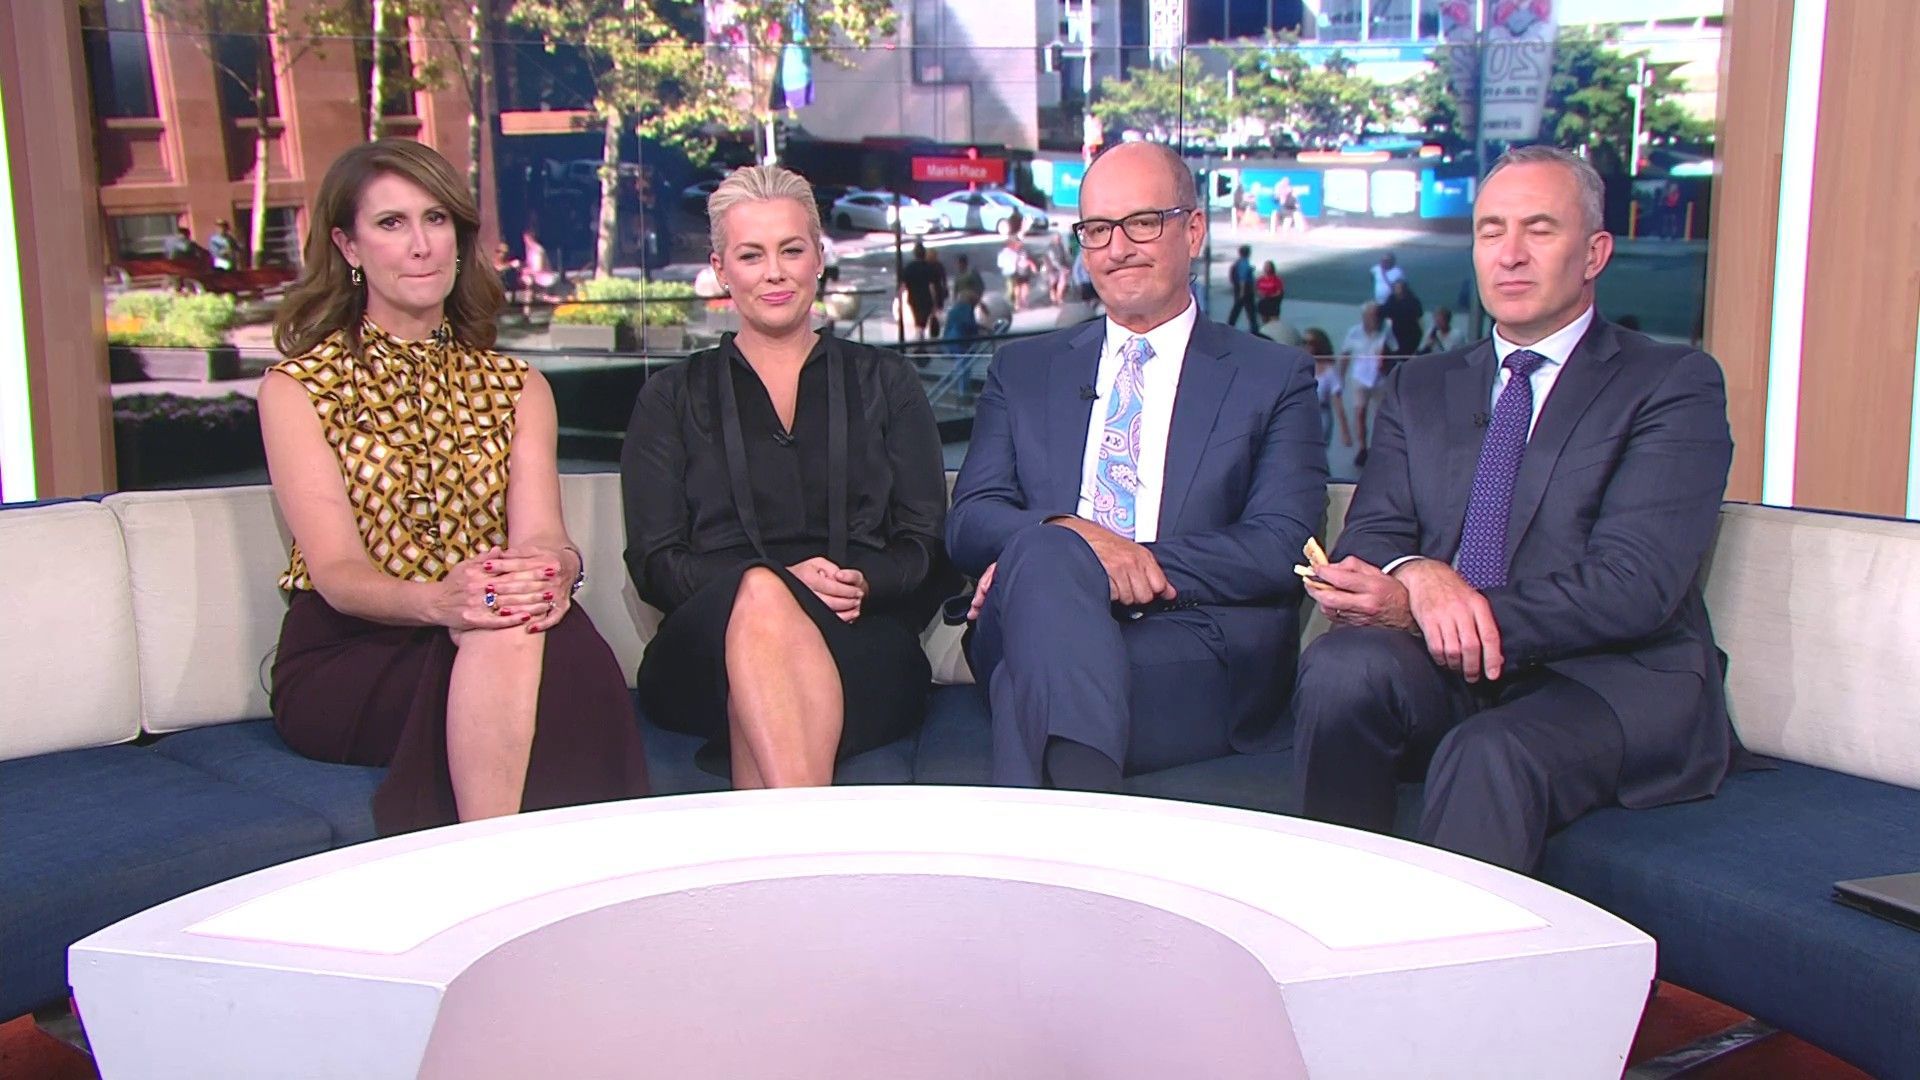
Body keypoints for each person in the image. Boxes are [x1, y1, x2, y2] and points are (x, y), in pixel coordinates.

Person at [1290, 145, 1737, 872]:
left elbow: (1636, 584)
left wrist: (1441, 611)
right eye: (1491, 231)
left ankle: (1450, 953)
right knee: (1342, 670)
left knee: (1489, 751)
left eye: (1540, 229)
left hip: (1606, 678)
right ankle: (1333, 912)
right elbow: (1374, 531)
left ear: (1594, 253)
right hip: (1449, 671)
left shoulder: (1671, 383)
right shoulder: (1422, 386)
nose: (1511, 254)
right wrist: (1417, 572)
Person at [259, 139, 649, 836]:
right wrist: (444, 602)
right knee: (522, 644)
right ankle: (517, 871)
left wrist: (552, 571)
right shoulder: (299, 389)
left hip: (493, 622)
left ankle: (502, 869)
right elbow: (339, 573)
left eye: (436, 219)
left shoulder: (516, 386)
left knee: (539, 635)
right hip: (356, 649)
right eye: (392, 223)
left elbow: (543, 535)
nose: (421, 245)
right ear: (348, 246)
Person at [946, 141, 1325, 791]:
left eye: (1142, 223)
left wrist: (1117, 560)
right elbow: (970, 520)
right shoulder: (1024, 369)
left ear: (1194, 230)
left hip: (1192, 638)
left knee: (1028, 673)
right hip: (1035, 615)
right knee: (1049, 549)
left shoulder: (1272, 375)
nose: (1117, 247)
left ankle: (1065, 821)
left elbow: (1280, 544)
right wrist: (1074, 538)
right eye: (1097, 229)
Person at [622, 165, 952, 788]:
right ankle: (804, 834)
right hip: (705, 650)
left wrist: (861, 581)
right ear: (721, 269)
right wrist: (774, 584)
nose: (774, 272)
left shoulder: (887, 383)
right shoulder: (669, 397)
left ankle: (781, 837)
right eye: (751, 255)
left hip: (860, 639)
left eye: (791, 250)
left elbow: (926, 543)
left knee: (768, 659)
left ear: (818, 258)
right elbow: (655, 563)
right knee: (761, 598)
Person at [1339, 301, 1391, 462]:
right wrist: (1340, 378)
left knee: (1380, 415)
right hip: (1360, 379)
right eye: (1371, 316)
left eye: (1377, 316)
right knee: (1360, 413)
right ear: (1364, 317)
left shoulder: (1386, 331)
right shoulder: (1354, 332)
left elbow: (1395, 352)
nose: (1375, 319)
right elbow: (1345, 355)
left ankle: (1379, 447)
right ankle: (1362, 448)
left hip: (1380, 380)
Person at [1302, 326, 1350, 449]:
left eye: (1310, 343)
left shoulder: (1330, 371)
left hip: (1322, 415)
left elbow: (1338, 403)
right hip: (1302, 415)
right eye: (1303, 342)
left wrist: (1345, 431)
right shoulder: (1299, 367)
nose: (1306, 346)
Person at [900, 241, 944, 341]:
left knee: (918, 321)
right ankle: (921, 337)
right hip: (926, 299)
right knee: (923, 322)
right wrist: (935, 303)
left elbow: (903, 286)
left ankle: (919, 338)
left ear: (914, 253)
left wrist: (899, 300)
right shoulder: (929, 267)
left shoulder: (909, 267)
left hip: (913, 299)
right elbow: (932, 287)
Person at [1381, 278, 1425, 365]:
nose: (1397, 290)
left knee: (1407, 356)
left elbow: (1419, 316)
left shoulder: (1413, 300)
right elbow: (1385, 312)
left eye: (1399, 287)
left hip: (1411, 332)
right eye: (1396, 288)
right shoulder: (1391, 299)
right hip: (1396, 332)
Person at [1226, 244, 1258, 333]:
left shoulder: (1238, 263)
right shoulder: (1245, 263)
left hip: (1239, 288)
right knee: (1249, 309)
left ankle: (1230, 325)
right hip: (1245, 289)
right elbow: (1243, 278)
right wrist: (1242, 291)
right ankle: (1254, 328)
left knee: (1238, 308)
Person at [1255, 260, 1284, 326]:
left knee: (1274, 323)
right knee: (1264, 323)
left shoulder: (1276, 279)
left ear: (1272, 268)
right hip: (1263, 303)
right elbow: (1257, 290)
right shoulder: (1260, 279)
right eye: (1265, 266)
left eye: (1268, 266)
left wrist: (1270, 296)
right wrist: (1260, 294)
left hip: (1273, 304)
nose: (1266, 268)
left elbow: (1279, 292)